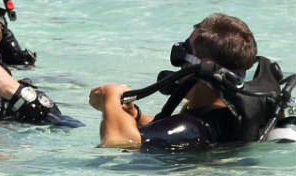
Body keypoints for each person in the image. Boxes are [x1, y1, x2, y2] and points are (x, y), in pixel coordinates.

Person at [88, 14, 272, 151]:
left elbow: (117, 142)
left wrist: (109, 97)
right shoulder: (230, 114)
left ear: (204, 68)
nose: (178, 64)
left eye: (183, 53)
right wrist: (137, 117)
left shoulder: (193, 126)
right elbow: (166, 128)